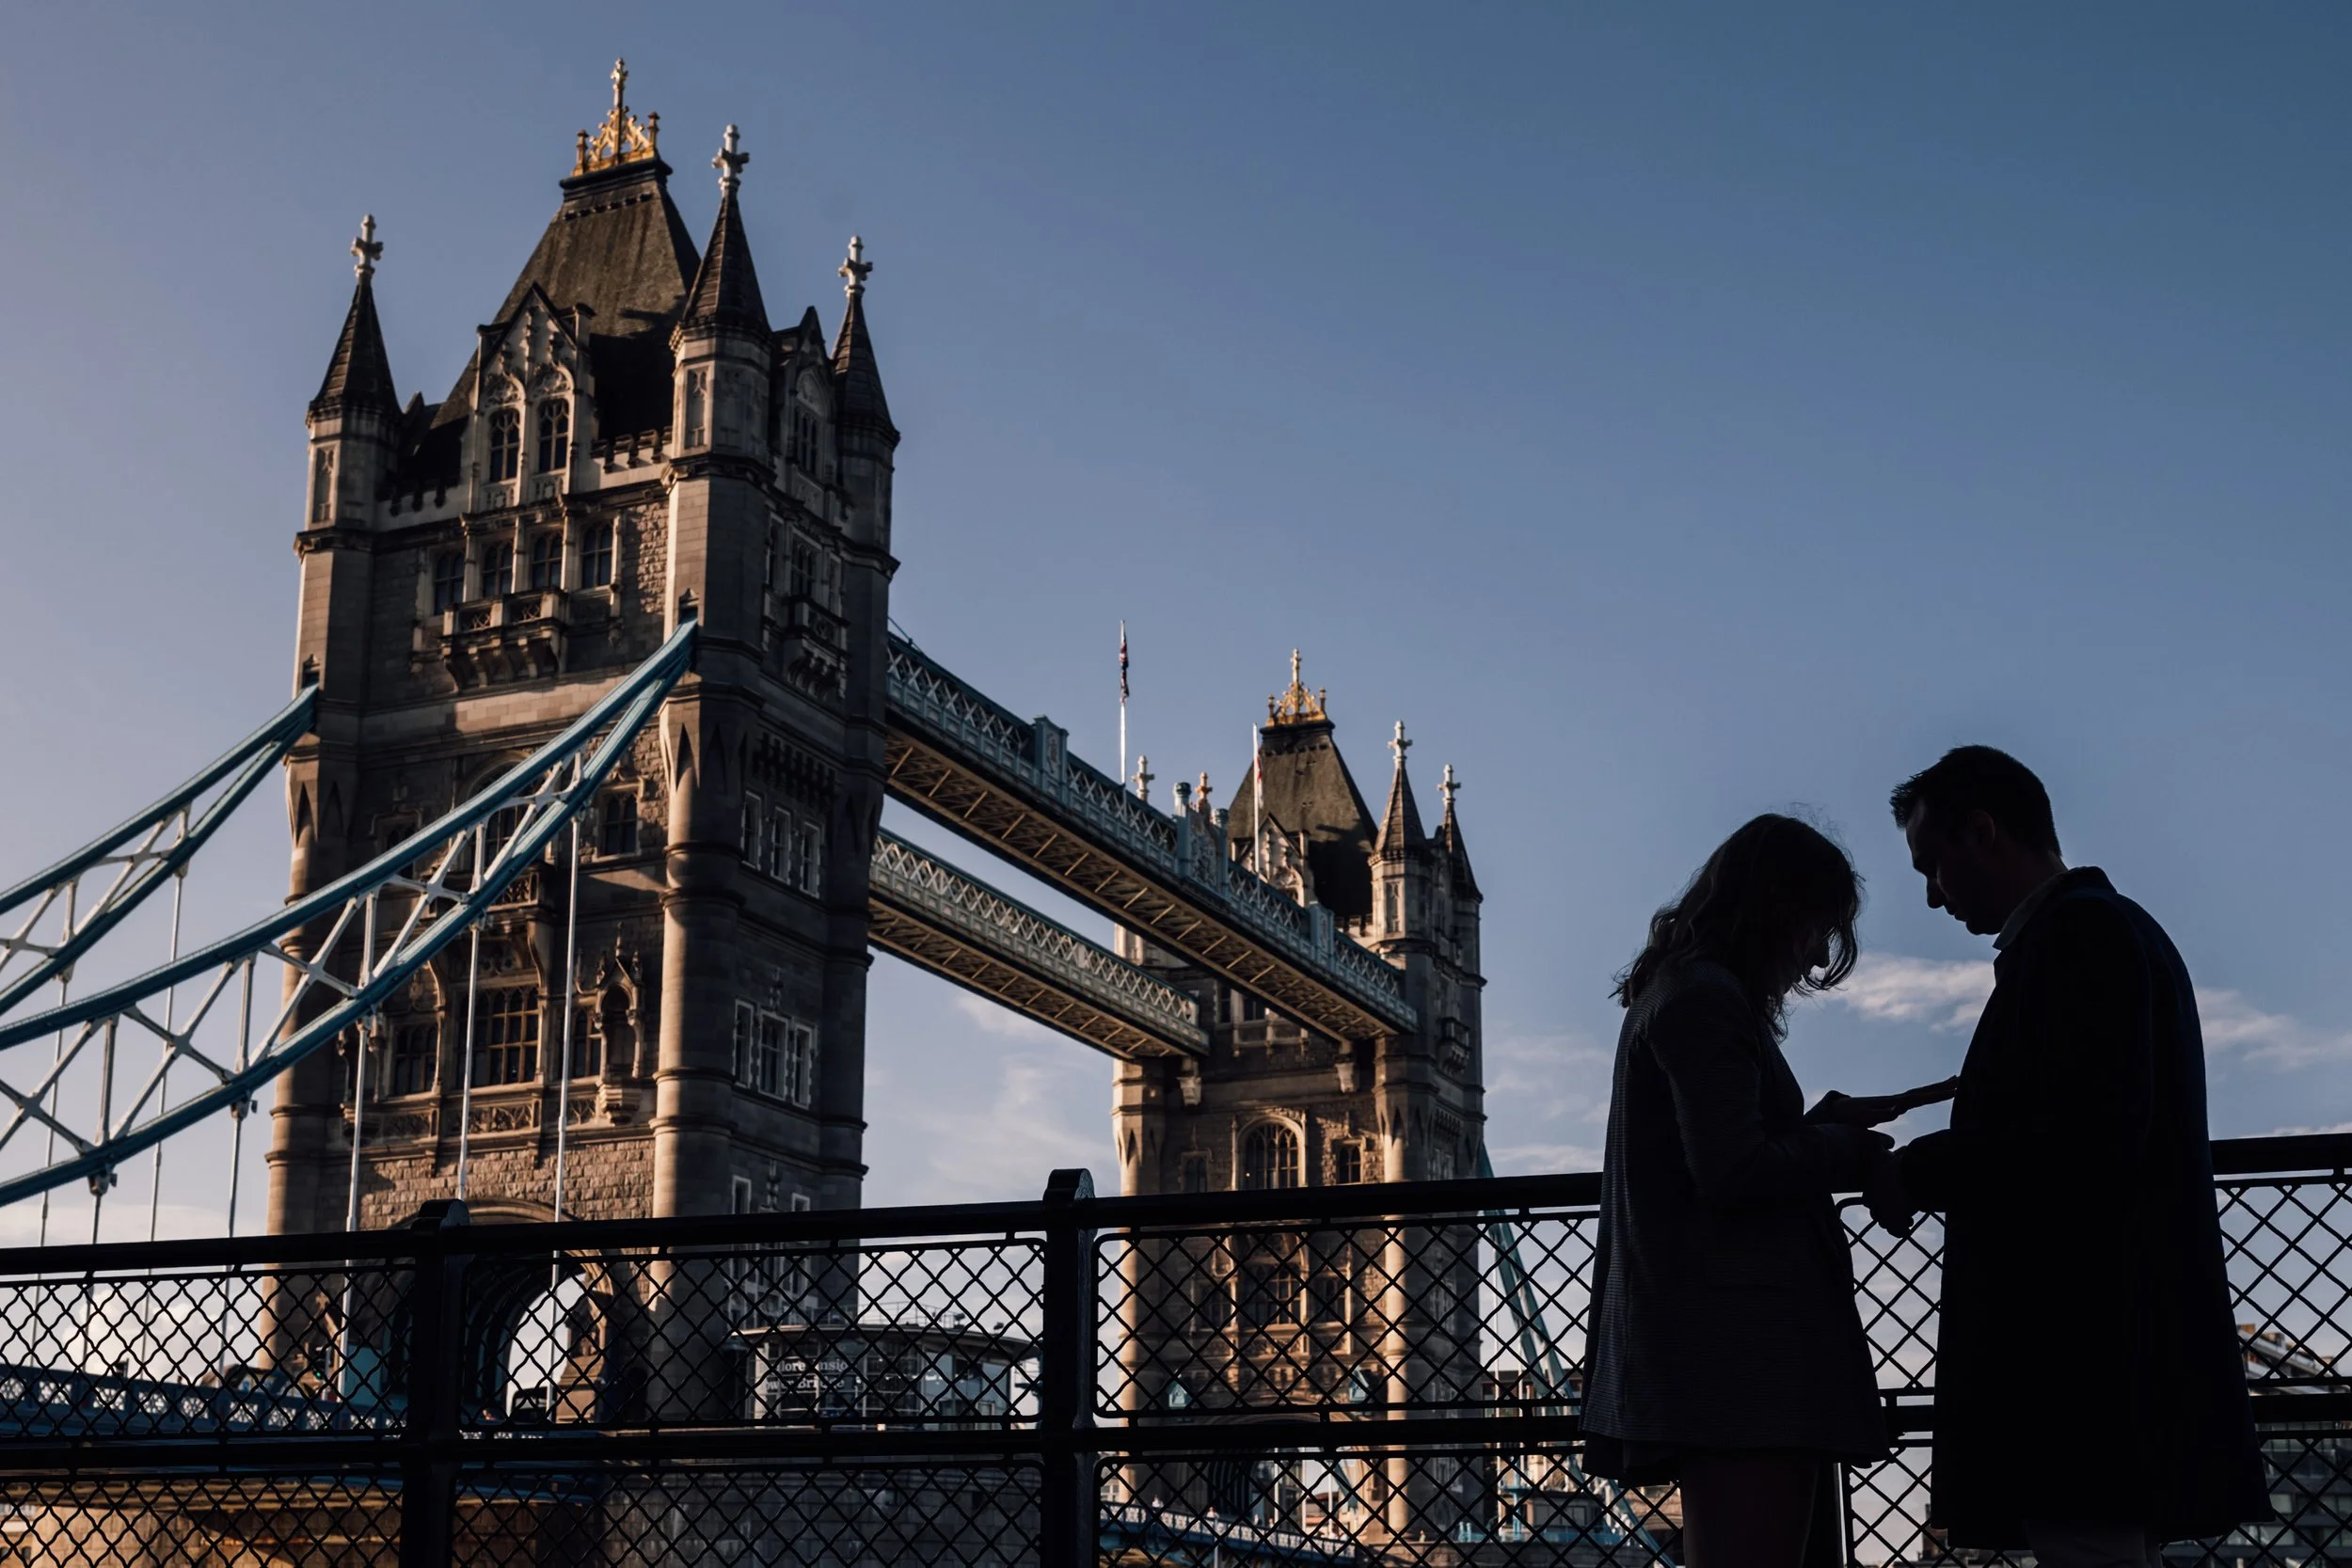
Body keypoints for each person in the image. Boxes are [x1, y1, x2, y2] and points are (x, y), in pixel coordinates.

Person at [1882, 746, 2268, 1565]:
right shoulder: (2108, 930)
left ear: (1980, 831)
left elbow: (2072, 1138)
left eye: (1932, 863)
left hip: (2078, 1363)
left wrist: (1915, 1169)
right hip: (2112, 1357)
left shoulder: (2075, 937)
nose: (1930, 893)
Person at [1583, 814, 1896, 1568]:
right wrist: (1844, 1149)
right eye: (1819, 926)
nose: (1819, 953)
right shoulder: (1706, 999)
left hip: (1717, 1356)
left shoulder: (1677, 990)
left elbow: (1720, 1148)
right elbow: (1734, 1172)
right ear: (1777, 909)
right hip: (1741, 1362)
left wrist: (1819, 1125)